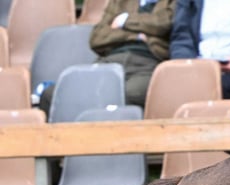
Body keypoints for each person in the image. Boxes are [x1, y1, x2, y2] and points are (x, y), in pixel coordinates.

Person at [39, 0, 175, 113]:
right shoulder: (121, 1)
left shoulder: (175, 3)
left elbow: (164, 23)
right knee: (52, 95)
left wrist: (124, 20)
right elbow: (97, 37)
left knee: (125, 96)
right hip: (109, 61)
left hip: (148, 64)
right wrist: (138, 35)